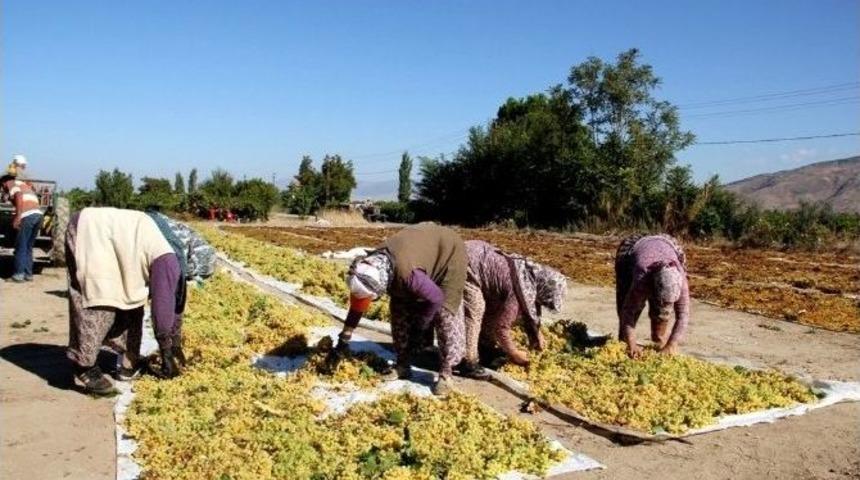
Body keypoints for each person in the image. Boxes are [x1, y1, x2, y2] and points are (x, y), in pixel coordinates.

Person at [65, 207, 215, 394]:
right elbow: (162, 307)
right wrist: (166, 352)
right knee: (98, 297)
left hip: (121, 242)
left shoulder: (178, 256)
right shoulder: (169, 261)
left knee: (133, 303)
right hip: (93, 231)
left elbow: (176, 303)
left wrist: (175, 345)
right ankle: (84, 366)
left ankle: (129, 364)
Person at [335, 223, 467, 395]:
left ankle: (446, 374)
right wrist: (345, 337)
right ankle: (402, 365)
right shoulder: (366, 270)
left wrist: (419, 328)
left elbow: (435, 298)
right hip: (417, 255)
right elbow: (359, 302)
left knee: (445, 313)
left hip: (448, 252)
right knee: (398, 308)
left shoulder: (409, 276)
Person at [460, 240, 567, 377]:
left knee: (494, 309)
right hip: (467, 263)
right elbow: (501, 328)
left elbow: (531, 309)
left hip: (478, 255)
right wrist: (514, 353)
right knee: (475, 310)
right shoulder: (517, 293)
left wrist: (536, 334)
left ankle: (485, 347)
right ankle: (468, 362)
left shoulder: (530, 278)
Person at [615, 234, 690, 358]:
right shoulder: (642, 277)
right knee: (626, 305)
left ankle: (659, 341)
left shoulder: (680, 278)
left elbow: (683, 316)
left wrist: (671, 344)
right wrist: (631, 343)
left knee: (661, 321)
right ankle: (625, 342)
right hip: (632, 250)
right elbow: (628, 311)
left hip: (668, 244)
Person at [1, 173, 44, 282]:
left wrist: (17, 217)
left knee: (20, 246)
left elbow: (19, 196)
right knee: (28, 247)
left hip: (27, 216)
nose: (2, 188)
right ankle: (28, 275)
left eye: (1, 186)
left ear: (4, 182)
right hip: (38, 215)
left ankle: (18, 275)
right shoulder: (23, 185)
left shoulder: (11, 184)